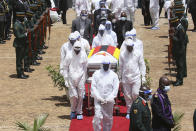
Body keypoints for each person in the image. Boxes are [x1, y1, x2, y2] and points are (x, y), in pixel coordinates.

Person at [119, 39, 146, 119]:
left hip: (136, 77)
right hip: (125, 77)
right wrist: (119, 77)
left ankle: (137, 110)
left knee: (135, 94)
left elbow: (142, 65)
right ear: (126, 47)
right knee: (127, 96)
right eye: (128, 47)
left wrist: (143, 76)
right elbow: (120, 67)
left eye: (131, 47)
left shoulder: (138, 53)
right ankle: (129, 111)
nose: (130, 48)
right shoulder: (122, 54)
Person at [91, 57, 119, 131]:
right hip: (98, 100)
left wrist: (108, 98)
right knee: (97, 117)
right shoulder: (96, 74)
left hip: (109, 101)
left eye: (107, 65)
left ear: (109, 65)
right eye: (104, 65)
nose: (106, 66)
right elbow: (93, 87)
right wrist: (99, 97)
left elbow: (115, 89)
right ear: (102, 65)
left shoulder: (114, 75)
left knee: (108, 119)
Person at [64, 41, 88, 120]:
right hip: (71, 78)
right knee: (74, 96)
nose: (77, 51)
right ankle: (73, 110)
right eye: (75, 49)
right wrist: (66, 79)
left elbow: (85, 68)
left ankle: (79, 112)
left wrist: (84, 77)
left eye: (78, 49)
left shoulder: (83, 55)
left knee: (81, 96)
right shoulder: (69, 55)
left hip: (81, 77)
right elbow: (65, 68)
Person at [170, 17, 186, 86]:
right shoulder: (178, 28)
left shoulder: (180, 29)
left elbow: (180, 41)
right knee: (178, 66)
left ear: (175, 22)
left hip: (180, 50)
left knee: (180, 66)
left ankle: (180, 81)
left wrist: (173, 37)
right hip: (177, 50)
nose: (172, 25)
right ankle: (178, 79)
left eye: (173, 24)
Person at [13, 12, 29, 79]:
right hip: (19, 44)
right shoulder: (16, 25)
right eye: (22, 17)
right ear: (19, 17)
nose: (24, 18)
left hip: (23, 43)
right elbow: (18, 35)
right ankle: (19, 74)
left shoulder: (21, 23)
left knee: (22, 57)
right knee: (19, 60)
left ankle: (22, 72)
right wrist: (25, 34)